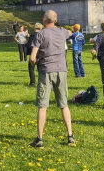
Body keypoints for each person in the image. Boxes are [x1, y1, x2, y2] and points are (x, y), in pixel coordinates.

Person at [28, 10, 75, 148]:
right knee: (64, 104)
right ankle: (70, 136)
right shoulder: (62, 32)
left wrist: (34, 63)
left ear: (44, 20)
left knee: (43, 106)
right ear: (56, 20)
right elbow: (70, 33)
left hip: (46, 71)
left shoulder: (40, 34)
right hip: (61, 70)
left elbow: (32, 57)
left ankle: (40, 139)